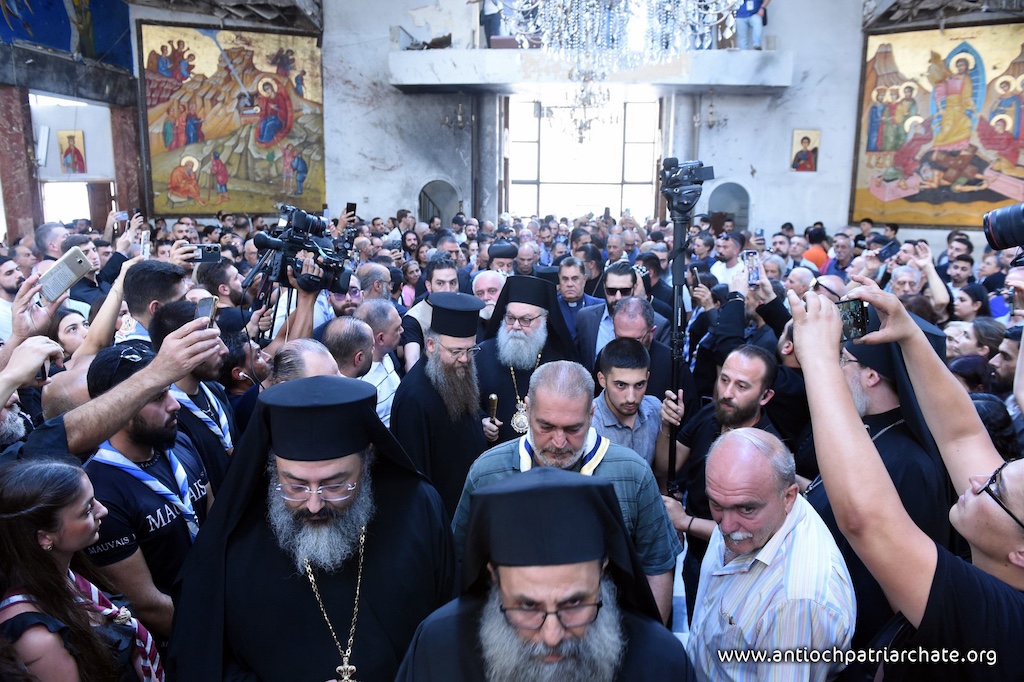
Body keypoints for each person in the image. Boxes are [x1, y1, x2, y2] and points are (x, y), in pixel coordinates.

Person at [792, 278, 1024, 680]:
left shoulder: (1001, 616)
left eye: (996, 487)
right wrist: (910, 334)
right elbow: (961, 434)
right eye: (999, 468)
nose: (976, 481)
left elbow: (868, 522)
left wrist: (820, 359)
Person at [167, 377, 454, 681]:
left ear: (368, 457)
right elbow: (202, 662)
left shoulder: (417, 509)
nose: (314, 504)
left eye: (335, 485)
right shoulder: (237, 540)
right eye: (295, 485)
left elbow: (450, 631)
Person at [398, 468, 695, 681]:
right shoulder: (437, 650)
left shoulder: (660, 661)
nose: (552, 636)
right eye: (527, 606)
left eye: (575, 604)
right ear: (494, 576)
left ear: (603, 569)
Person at [453, 361, 681, 625]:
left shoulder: (633, 474)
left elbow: (657, 566)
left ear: (592, 414)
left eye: (573, 429)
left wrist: (651, 641)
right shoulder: (487, 473)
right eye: (546, 427)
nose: (559, 443)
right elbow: (461, 562)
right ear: (527, 410)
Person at [686, 429, 856, 681]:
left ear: (789, 497)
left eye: (746, 508)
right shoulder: (765, 510)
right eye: (716, 505)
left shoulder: (794, 602)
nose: (727, 526)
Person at [82, 343, 210, 640]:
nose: (174, 404)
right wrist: (218, 633)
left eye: (169, 390)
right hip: (184, 641)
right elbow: (147, 605)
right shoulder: (98, 492)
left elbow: (216, 523)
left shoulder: (178, 441)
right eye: (157, 396)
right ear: (119, 407)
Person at [0, 459, 164, 681]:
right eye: (87, 510)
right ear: (45, 538)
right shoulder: (37, 639)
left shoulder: (69, 573)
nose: (103, 510)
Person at [391, 292, 492, 517]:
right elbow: (415, 479)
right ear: (431, 345)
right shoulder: (414, 398)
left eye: (470, 350)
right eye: (456, 351)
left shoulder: (458, 372)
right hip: (443, 514)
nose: (465, 359)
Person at [475, 275, 579, 444]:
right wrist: (482, 421)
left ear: (544, 319)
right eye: (510, 318)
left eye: (525, 320)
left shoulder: (561, 361)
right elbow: (468, 403)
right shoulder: (483, 353)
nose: (516, 326)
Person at [593, 338, 661, 464]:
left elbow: (662, 472)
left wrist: (667, 428)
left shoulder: (655, 410)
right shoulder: (589, 425)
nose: (631, 398)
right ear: (602, 380)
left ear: (647, 377)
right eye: (621, 385)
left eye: (639, 385)